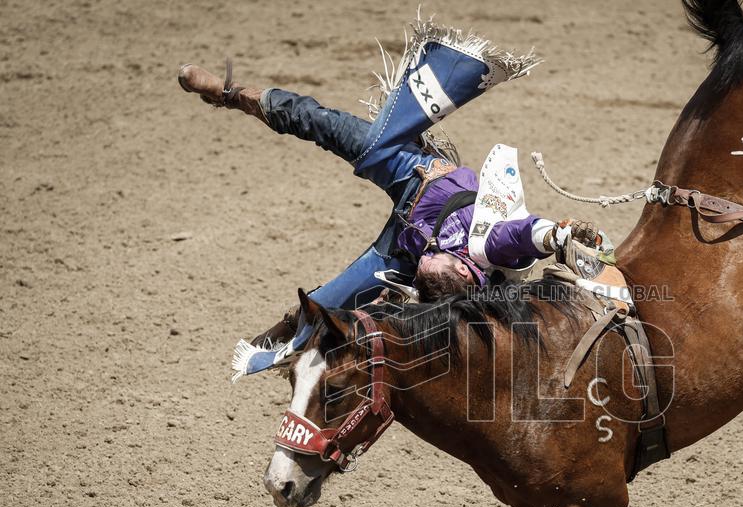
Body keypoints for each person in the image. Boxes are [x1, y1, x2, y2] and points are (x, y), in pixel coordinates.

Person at [177, 63, 600, 349]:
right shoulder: (486, 247)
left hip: (402, 248)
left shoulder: (430, 280)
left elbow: (430, 274)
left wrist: (419, 272)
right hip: (415, 173)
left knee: (324, 305)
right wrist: (560, 234)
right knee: (320, 123)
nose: (435, 265)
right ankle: (228, 93)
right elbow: (524, 234)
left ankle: (264, 348)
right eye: (440, 267)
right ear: (464, 275)